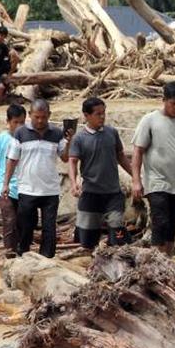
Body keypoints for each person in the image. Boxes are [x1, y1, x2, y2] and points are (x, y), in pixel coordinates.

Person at [131, 81, 175, 255]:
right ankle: (156, 260)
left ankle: (167, 260)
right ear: (164, 100)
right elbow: (138, 151)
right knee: (160, 222)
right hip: (156, 181)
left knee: (172, 225)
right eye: (173, 103)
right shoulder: (150, 120)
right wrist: (136, 181)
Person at [2, 99, 72, 258]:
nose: (40, 121)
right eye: (36, 117)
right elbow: (12, 160)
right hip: (27, 189)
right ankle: (23, 255)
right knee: (26, 226)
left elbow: (65, 158)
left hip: (50, 190)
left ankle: (47, 258)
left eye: (44, 117)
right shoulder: (20, 133)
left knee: (49, 228)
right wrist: (5, 184)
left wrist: (69, 141)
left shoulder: (56, 133)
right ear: (30, 115)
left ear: (49, 115)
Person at [67, 97, 130, 250]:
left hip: (113, 193)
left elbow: (121, 156)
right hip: (90, 194)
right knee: (87, 241)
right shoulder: (79, 139)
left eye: (103, 113)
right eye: (97, 114)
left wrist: (135, 177)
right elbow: (72, 162)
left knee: (118, 231)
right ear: (86, 116)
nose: (102, 117)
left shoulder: (112, 133)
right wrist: (74, 183)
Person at [0, 104, 27, 253]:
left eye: (22, 122)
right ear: (7, 121)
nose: (19, 126)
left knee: (23, 222)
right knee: (9, 219)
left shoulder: (28, 140)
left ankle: (21, 252)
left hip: (25, 188)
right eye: (16, 122)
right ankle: (10, 253)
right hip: (4, 188)